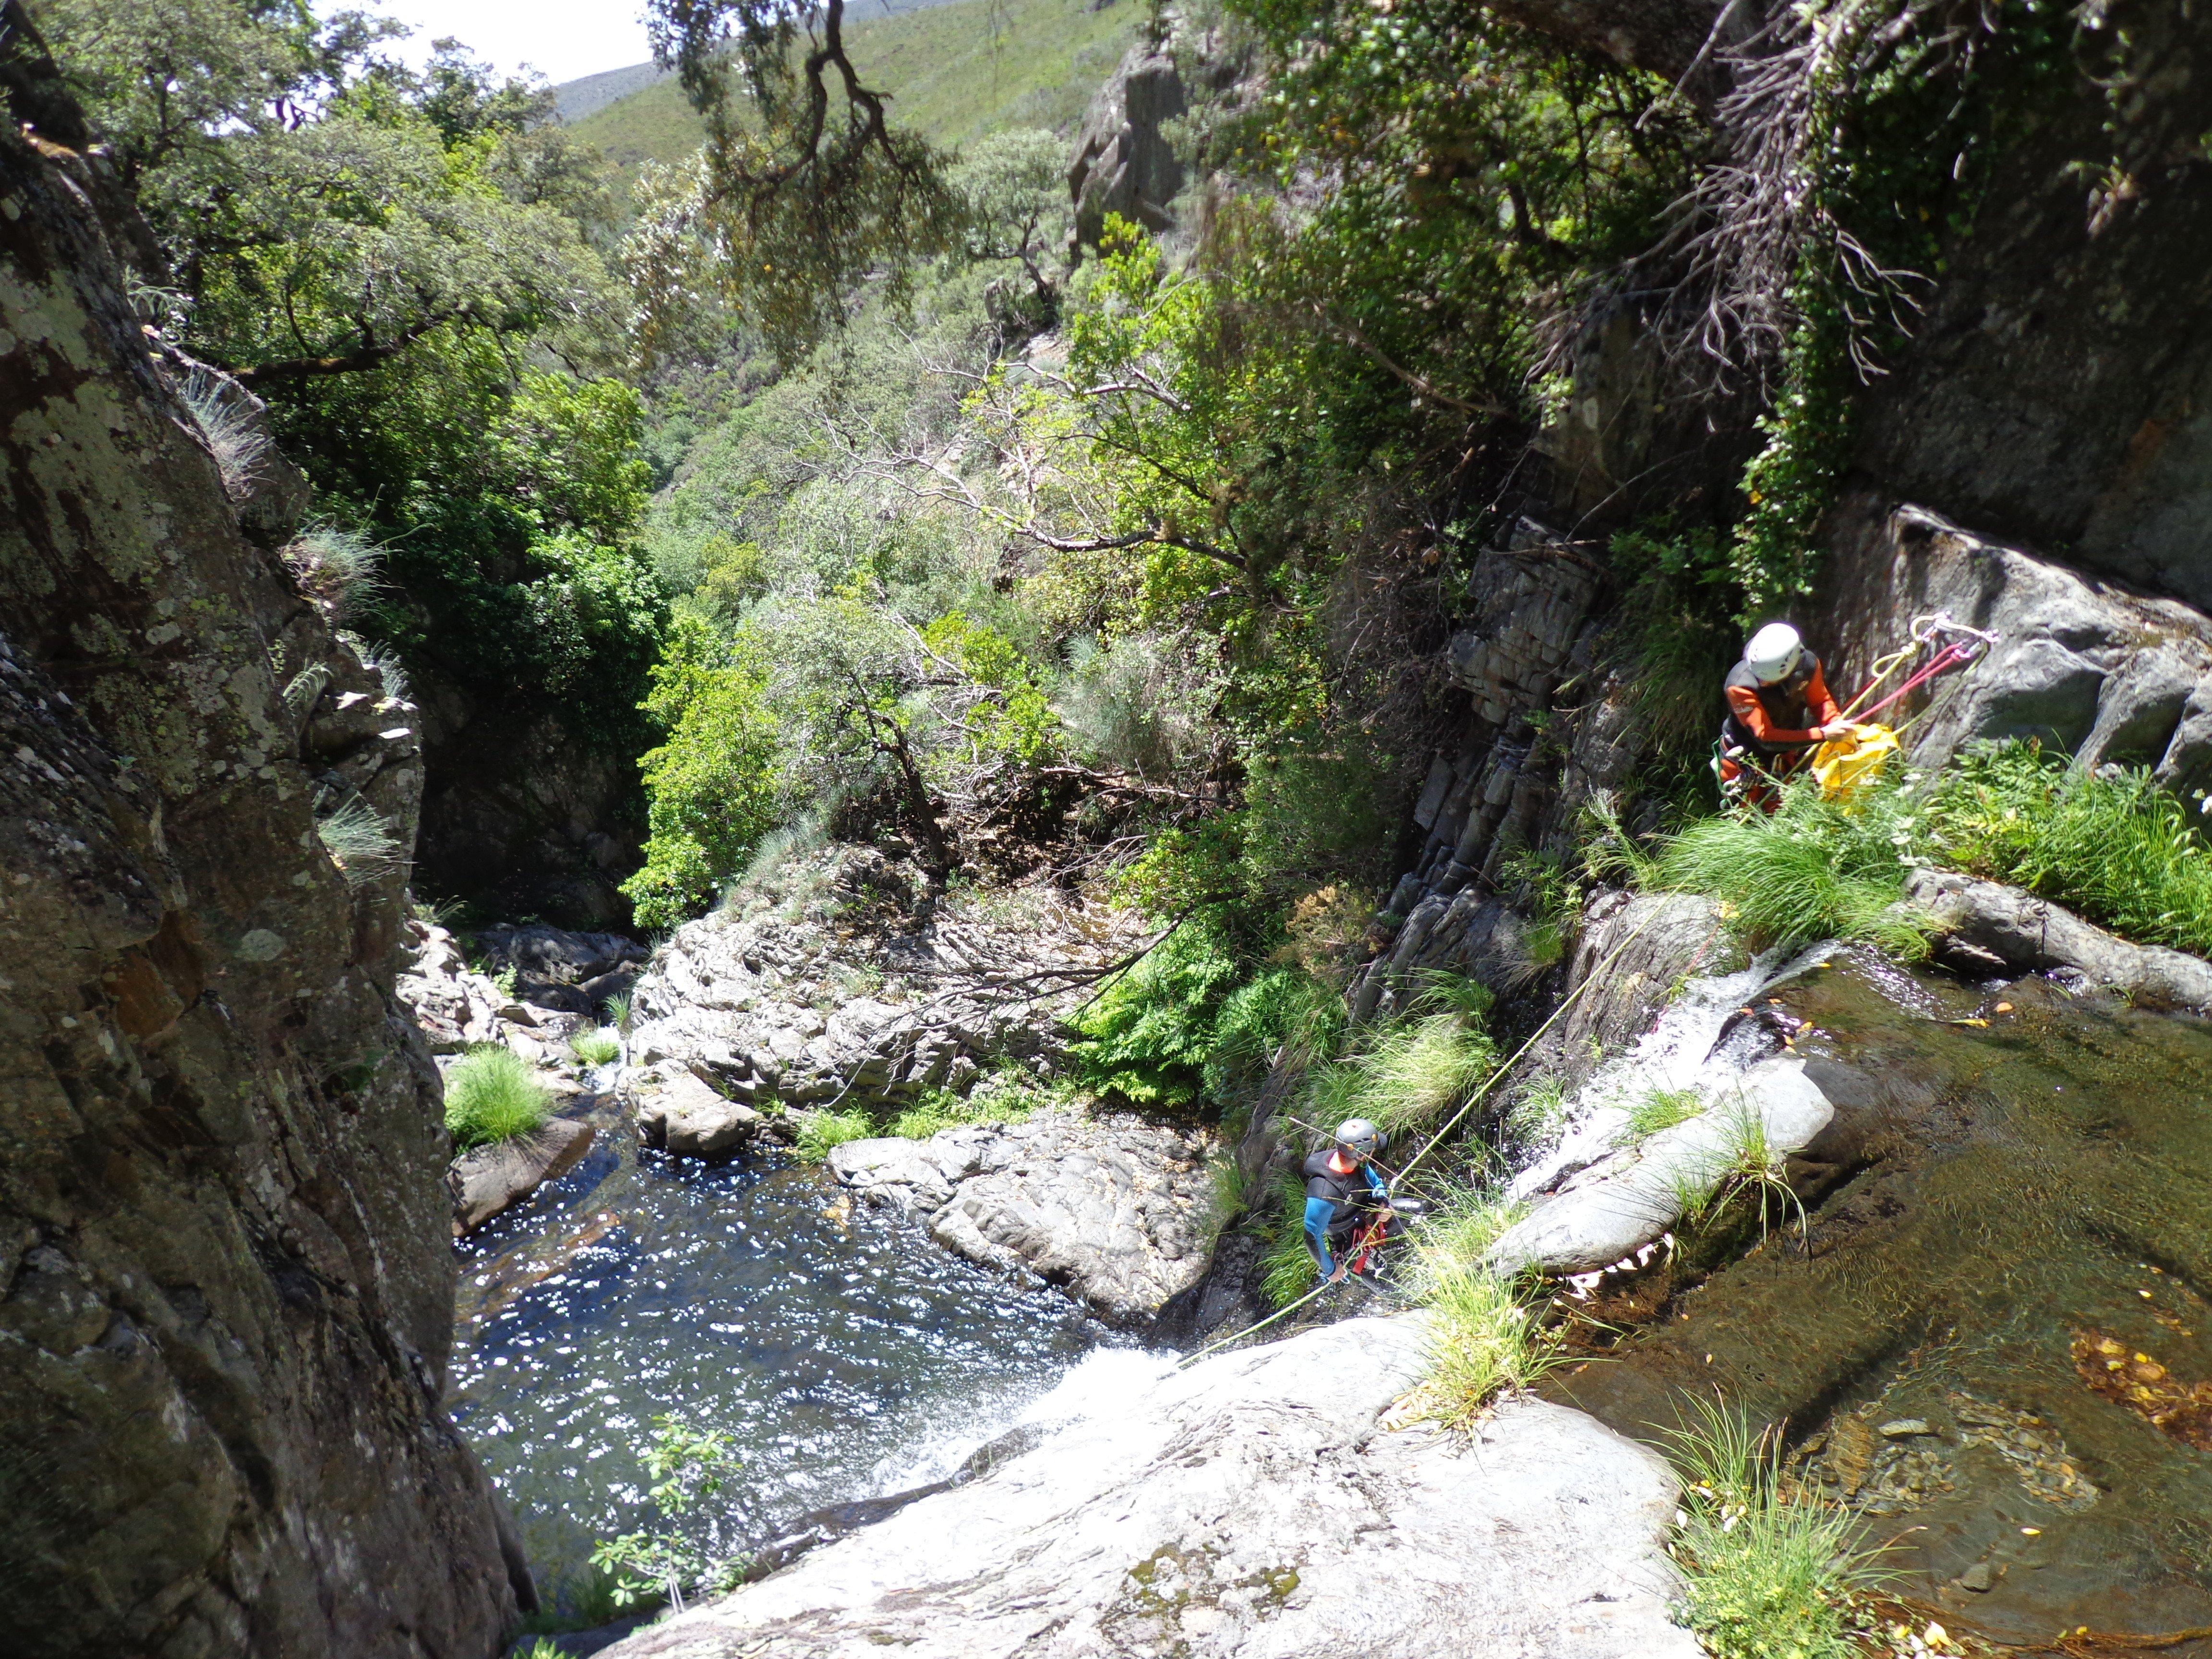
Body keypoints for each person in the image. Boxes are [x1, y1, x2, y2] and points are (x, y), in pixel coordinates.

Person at [1718, 622, 1847, 809]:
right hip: (1746, 756)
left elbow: (1820, 702)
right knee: (1743, 812)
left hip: (1785, 753)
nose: (1762, 683)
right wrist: (1823, 734)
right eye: (1760, 678)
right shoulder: (1740, 685)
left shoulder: (1808, 666)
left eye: (1769, 680)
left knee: (1782, 810)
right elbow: (1765, 737)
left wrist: (1834, 721)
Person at [1303, 1118, 1391, 1284]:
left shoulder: (1358, 1164)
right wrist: (1330, 1270)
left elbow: (1376, 1184)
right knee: (1387, 1281)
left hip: (1371, 1218)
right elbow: (1312, 1235)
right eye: (1372, 1150)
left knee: (1417, 1210)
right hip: (1350, 1244)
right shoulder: (1323, 1193)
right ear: (1361, 1154)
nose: (1373, 1153)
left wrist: (1383, 1204)